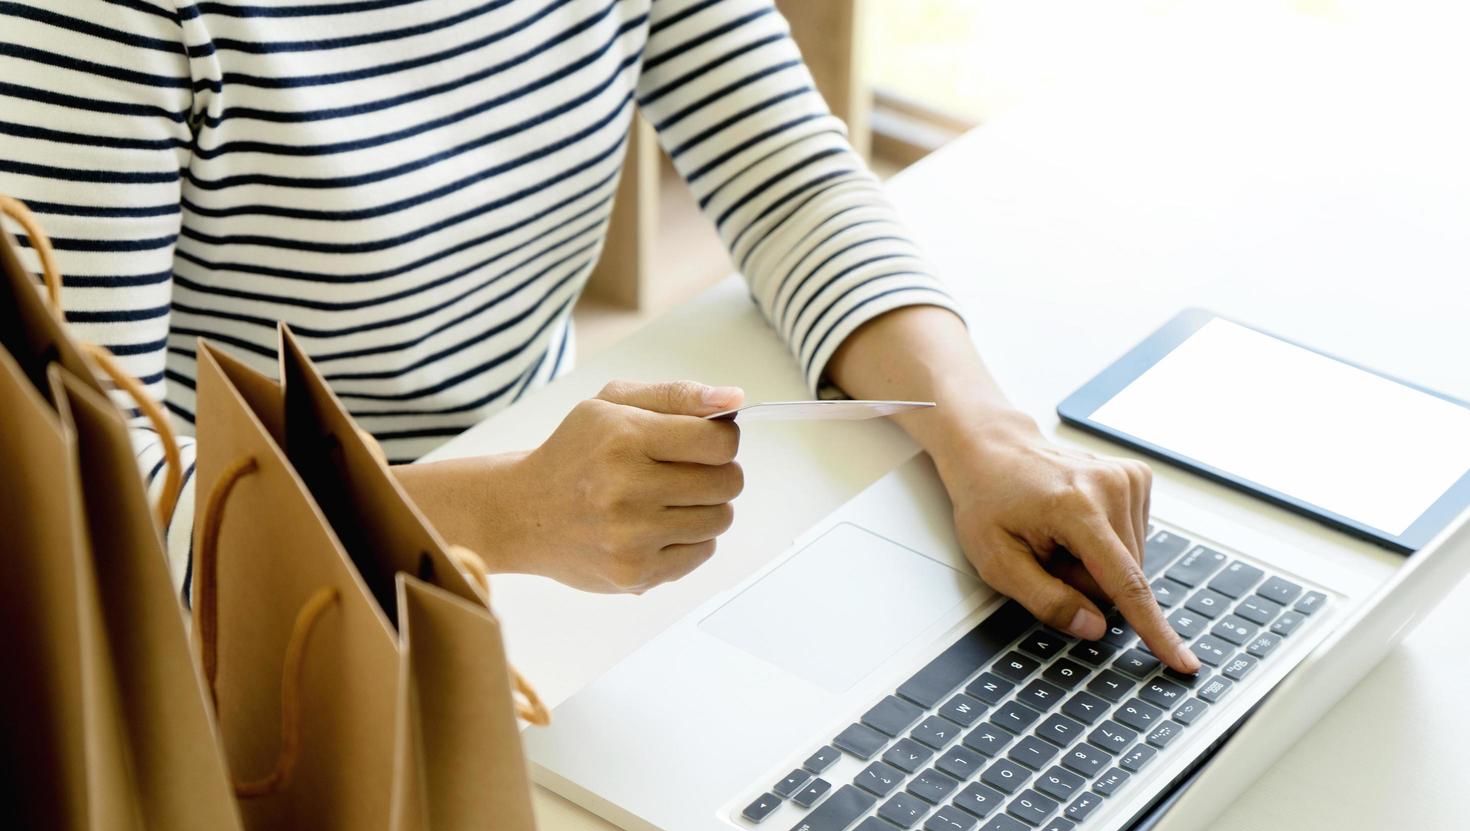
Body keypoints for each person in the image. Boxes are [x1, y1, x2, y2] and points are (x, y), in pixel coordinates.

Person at [0, 0, 1197, 671]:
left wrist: (982, 434)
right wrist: (506, 512)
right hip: (265, 608)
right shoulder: (94, 19)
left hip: (552, 560)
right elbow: (87, 512)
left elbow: (789, 184)